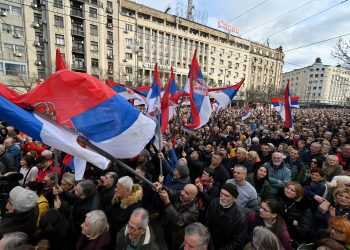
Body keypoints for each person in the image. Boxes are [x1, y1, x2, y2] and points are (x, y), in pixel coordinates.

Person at [155, 182, 199, 250]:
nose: (182, 193)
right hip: (168, 226)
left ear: (192, 198)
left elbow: (179, 220)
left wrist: (167, 202)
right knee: (166, 240)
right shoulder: (180, 194)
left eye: (187, 193)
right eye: (183, 189)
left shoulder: (194, 211)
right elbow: (172, 193)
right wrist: (162, 187)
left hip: (177, 236)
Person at [205, 183, 247, 249]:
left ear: (234, 198)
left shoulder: (240, 218)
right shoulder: (214, 203)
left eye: (226, 196)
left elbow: (237, 242)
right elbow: (206, 224)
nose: (222, 197)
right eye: (221, 193)